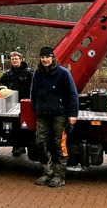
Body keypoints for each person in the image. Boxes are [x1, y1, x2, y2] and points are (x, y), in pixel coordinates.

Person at [31, 46, 78, 188]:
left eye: (47, 57)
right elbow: (33, 93)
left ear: (53, 57)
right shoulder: (37, 74)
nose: (45, 60)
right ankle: (48, 172)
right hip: (43, 115)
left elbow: (72, 94)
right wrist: (36, 107)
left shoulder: (63, 73)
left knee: (59, 145)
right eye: (43, 57)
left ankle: (59, 176)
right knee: (40, 142)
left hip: (60, 115)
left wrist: (72, 114)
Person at [0, 51, 34, 157]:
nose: (14, 61)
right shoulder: (8, 74)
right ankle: (16, 146)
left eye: (16, 59)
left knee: (26, 127)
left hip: (26, 104)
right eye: (12, 59)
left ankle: (26, 146)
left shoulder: (29, 73)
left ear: (20, 59)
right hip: (12, 106)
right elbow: (0, 86)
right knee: (15, 127)